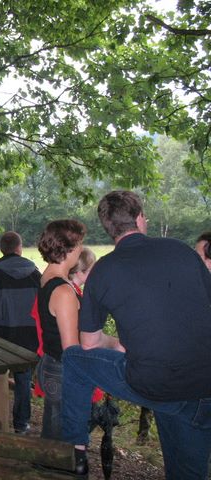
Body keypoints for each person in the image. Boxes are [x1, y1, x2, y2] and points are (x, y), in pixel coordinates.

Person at [62, 190, 211, 479]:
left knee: (74, 360)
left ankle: (76, 451)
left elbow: (89, 343)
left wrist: (119, 344)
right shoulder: (182, 250)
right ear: (140, 218)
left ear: (108, 228)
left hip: (155, 382)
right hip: (203, 384)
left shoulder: (103, 270)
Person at [0, 231, 41, 434]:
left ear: (2, 249)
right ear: (19, 248)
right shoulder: (36, 275)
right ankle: (21, 423)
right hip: (29, 336)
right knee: (24, 380)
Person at [34, 221, 87, 443]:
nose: (82, 249)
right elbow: (71, 349)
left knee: (53, 430)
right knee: (63, 438)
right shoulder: (63, 291)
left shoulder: (48, 276)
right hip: (62, 369)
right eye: (80, 243)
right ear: (69, 248)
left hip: (51, 363)